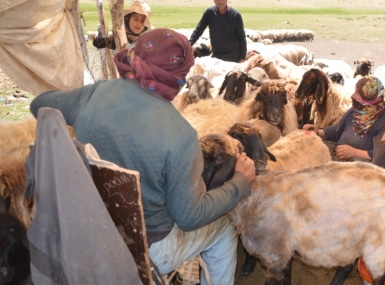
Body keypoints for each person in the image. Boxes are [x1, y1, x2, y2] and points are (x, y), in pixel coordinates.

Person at [30, 28, 256, 285]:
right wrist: (239, 183)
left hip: (91, 231)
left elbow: (39, 104)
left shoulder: (94, 93)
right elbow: (190, 216)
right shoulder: (180, 135)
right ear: (179, 75)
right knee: (225, 229)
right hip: (147, 250)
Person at [303, 76, 385, 161]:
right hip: (339, 161)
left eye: (358, 93)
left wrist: (354, 153)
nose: (352, 96)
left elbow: (382, 155)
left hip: (360, 170)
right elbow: (336, 130)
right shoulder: (355, 111)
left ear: (369, 97)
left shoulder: (384, 123)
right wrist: (318, 132)